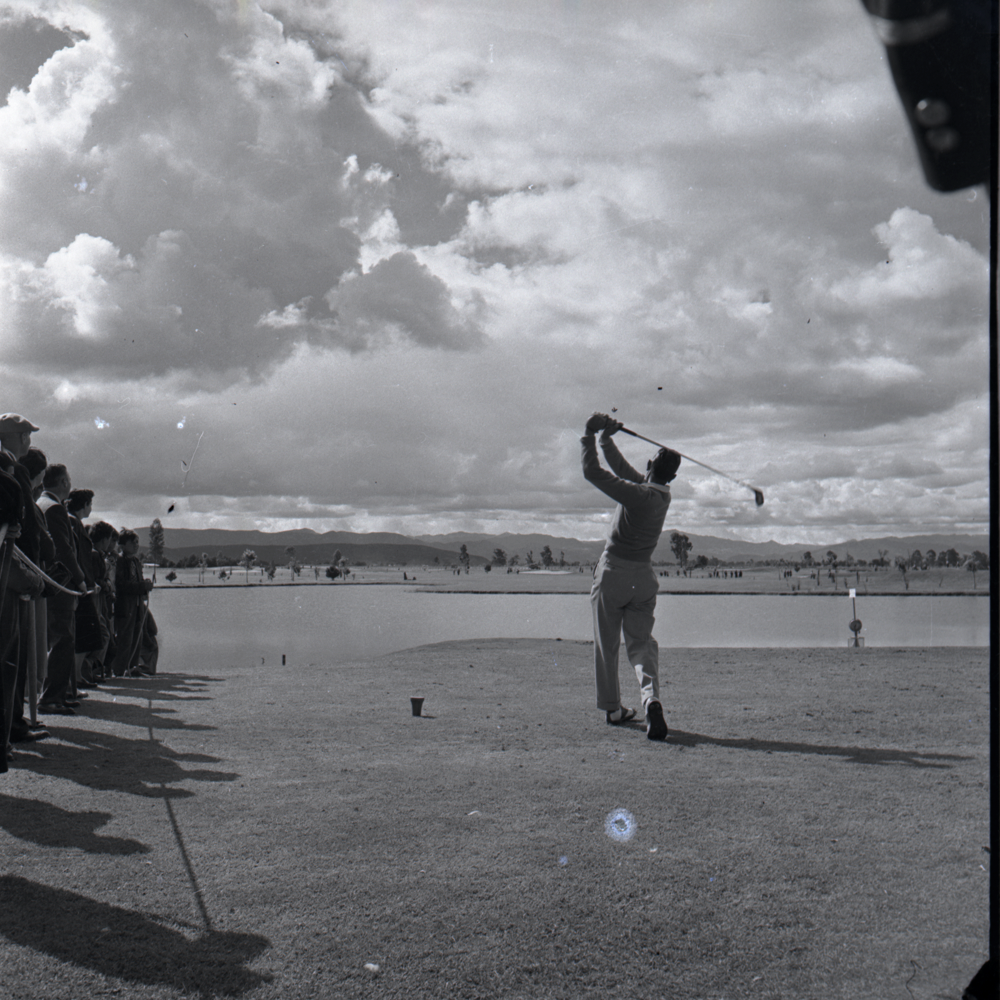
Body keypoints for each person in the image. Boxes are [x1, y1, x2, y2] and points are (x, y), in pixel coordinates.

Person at [581, 412, 681, 741]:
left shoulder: (638, 494)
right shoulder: (662, 495)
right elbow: (623, 470)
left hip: (613, 575)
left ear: (650, 463)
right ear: (672, 477)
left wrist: (589, 434)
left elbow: (592, 472)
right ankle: (651, 699)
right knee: (641, 645)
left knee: (607, 645)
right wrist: (608, 439)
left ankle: (613, 708)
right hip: (644, 579)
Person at [37, 464, 87, 714]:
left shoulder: (43, 503)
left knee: (60, 640)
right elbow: (64, 550)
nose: (70, 483)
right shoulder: (55, 508)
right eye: (68, 479)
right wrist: (81, 580)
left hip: (52, 585)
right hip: (60, 585)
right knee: (62, 640)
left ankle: (58, 693)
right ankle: (51, 698)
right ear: (62, 482)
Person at [110, 529, 153, 677]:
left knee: (137, 635)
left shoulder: (136, 561)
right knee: (125, 638)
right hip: (125, 605)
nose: (136, 546)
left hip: (137, 605)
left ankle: (133, 667)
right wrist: (141, 587)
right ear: (122, 545)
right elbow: (121, 585)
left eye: (137, 543)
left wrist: (145, 585)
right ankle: (119, 669)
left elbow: (139, 581)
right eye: (132, 543)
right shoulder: (120, 561)